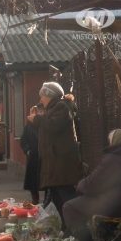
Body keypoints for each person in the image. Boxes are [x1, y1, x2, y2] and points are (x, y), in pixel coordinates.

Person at [62, 129, 121, 241]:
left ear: (118, 142)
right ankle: (109, 238)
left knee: (70, 207)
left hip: (115, 206)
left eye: (110, 140)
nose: (109, 143)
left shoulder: (115, 159)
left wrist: (80, 186)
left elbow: (93, 184)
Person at [28, 82, 83, 228]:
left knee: (67, 200)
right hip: (56, 163)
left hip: (61, 164)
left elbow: (53, 126)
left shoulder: (61, 107)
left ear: (49, 95)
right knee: (60, 200)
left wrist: (37, 119)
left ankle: (82, 239)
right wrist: (36, 120)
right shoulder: (55, 108)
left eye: (42, 97)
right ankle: (68, 231)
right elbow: (48, 130)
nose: (40, 101)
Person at [20, 104, 43, 204]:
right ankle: (35, 199)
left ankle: (47, 200)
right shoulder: (28, 127)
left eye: (37, 112)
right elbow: (23, 140)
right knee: (33, 180)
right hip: (33, 156)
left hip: (43, 156)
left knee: (44, 178)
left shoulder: (43, 125)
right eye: (33, 112)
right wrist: (27, 150)